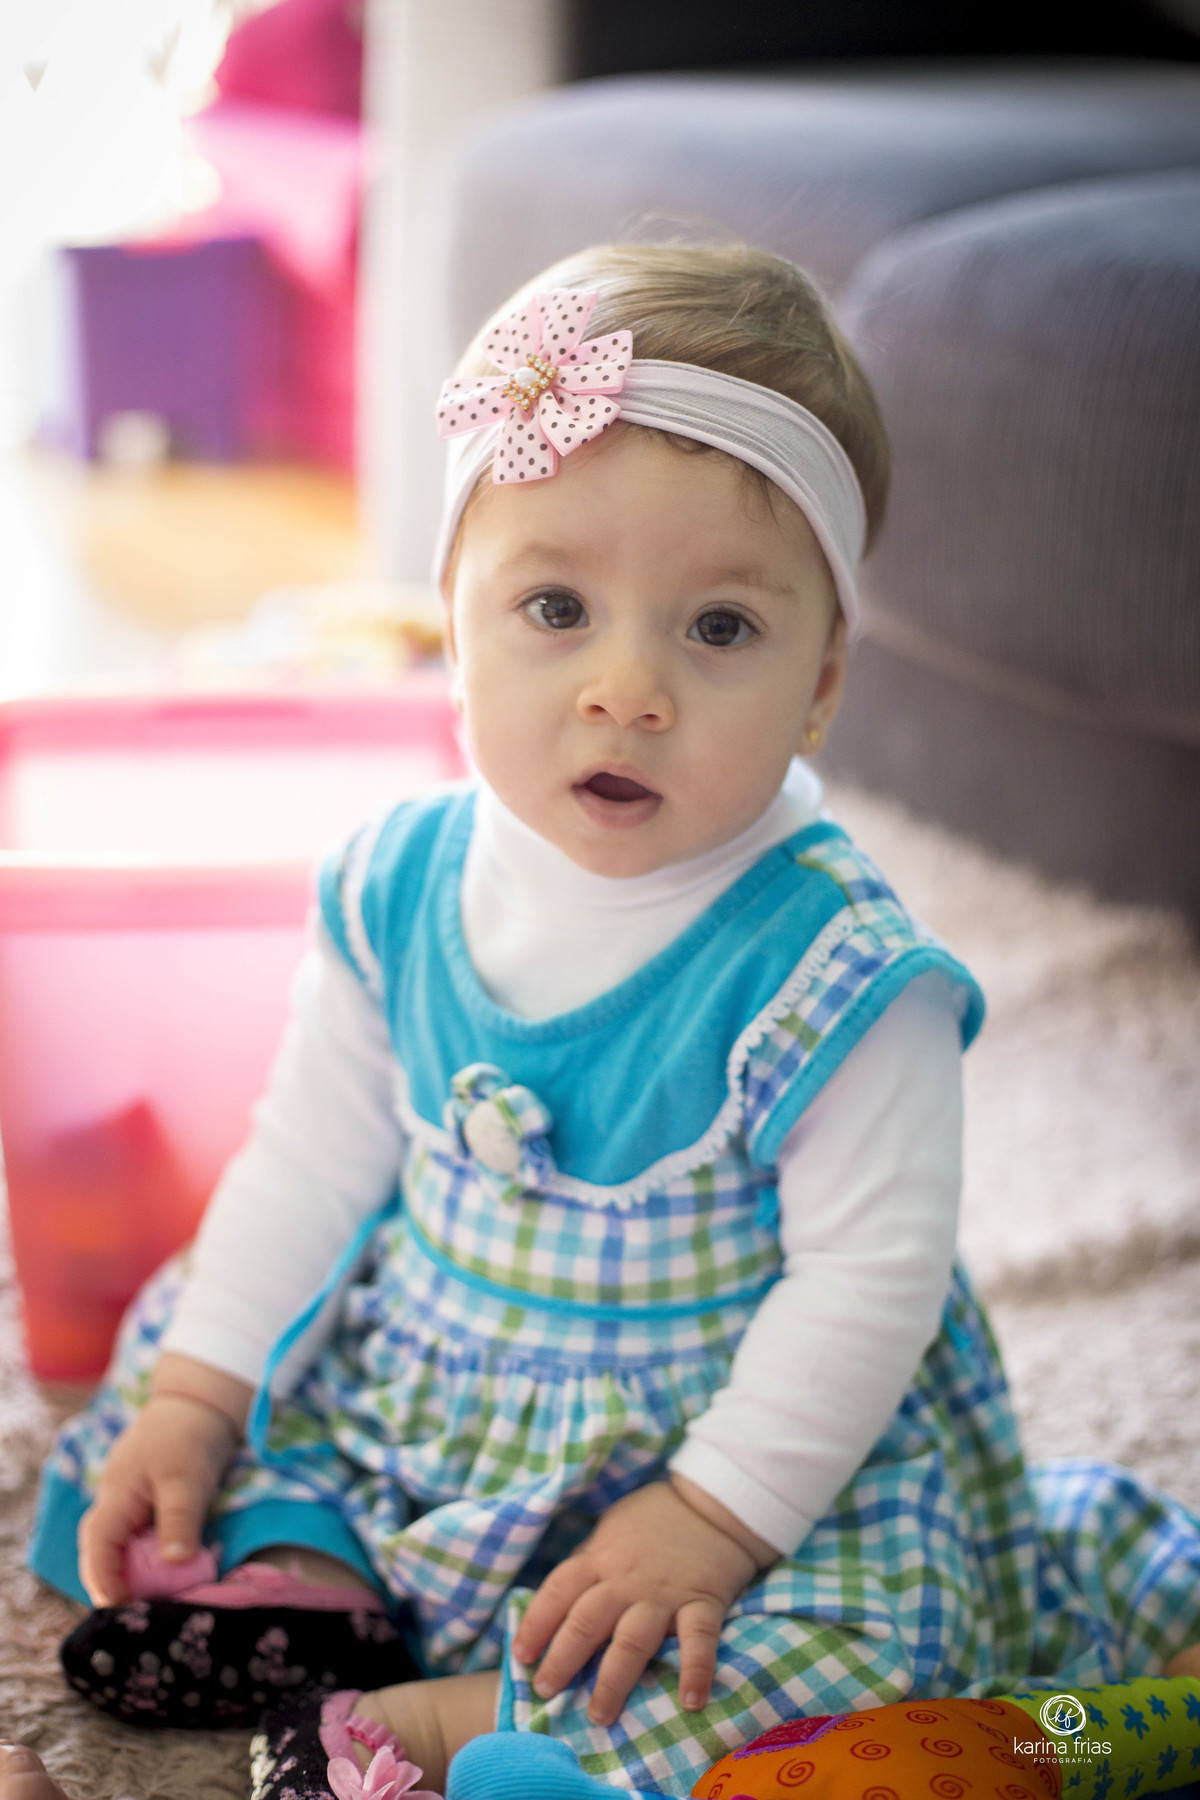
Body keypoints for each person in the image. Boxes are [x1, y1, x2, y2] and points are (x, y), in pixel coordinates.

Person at [23, 244, 1200, 1800]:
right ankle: (302, 1574)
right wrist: (198, 1398)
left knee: (801, 1661)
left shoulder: (840, 975)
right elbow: (309, 1156)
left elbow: (872, 1285)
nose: (628, 688)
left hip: (730, 1435)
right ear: (451, 615)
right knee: (206, 1382)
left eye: (718, 631)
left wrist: (713, 1516)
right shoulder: (396, 886)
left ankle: (449, 1716)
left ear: (823, 681)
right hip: (438, 1380)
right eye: (557, 607)